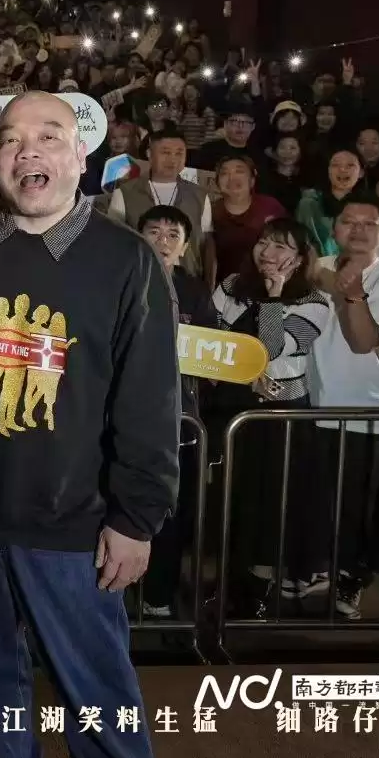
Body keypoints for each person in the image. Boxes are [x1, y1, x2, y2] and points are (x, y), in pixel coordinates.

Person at [0, 91, 179, 758]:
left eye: (48, 136)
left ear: (81, 156)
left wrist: (136, 519)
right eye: (11, 139)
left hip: (76, 524)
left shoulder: (126, 260)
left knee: (95, 690)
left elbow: (150, 398)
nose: (28, 151)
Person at [211, 219, 331, 618]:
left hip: (283, 417)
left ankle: (258, 590)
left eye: (281, 247)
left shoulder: (314, 302)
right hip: (231, 408)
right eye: (264, 242)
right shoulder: (232, 286)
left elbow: (272, 348)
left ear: (300, 259)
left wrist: (274, 298)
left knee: (271, 503)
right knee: (233, 499)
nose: (268, 252)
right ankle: (227, 583)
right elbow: (212, 340)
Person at [304, 197, 379, 619]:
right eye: (350, 221)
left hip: (365, 406)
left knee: (357, 505)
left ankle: (352, 578)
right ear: (335, 227)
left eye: (370, 223)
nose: (359, 230)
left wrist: (349, 294)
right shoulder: (315, 267)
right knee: (314, 498)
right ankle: (313, 568)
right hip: (311, 400)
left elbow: (364, 341)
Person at [136, 205, 216, 621]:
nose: (163, 242)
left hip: (181, 419)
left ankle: (159, 593)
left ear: (185, 247)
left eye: (173, 235)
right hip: (125, 416)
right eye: (154, 232)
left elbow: (216, 351)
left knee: (172, 508)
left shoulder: (195, 291)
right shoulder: (119, 277)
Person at [108, 126, 210, 278]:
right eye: (165, 152)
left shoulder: (199, 195)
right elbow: (113, 241)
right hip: (139, 277)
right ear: (149, 154)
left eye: (179, 153)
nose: (173, 159)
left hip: (187, 279)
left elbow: (206, 245)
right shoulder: (124, 193)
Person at [207, 154, 287, 286]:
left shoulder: (270, 207)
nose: (232, 178)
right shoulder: (210, 211)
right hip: (226, 287)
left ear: (252, 180)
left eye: (239, 171)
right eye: (224, 173)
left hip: (269, 283)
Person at [294, 147, 367, 258]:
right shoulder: (309, 204)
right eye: (335, 165)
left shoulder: (370, 207)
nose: (342, 169)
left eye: (350, 165)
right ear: (327, 170)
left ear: (361, 172)